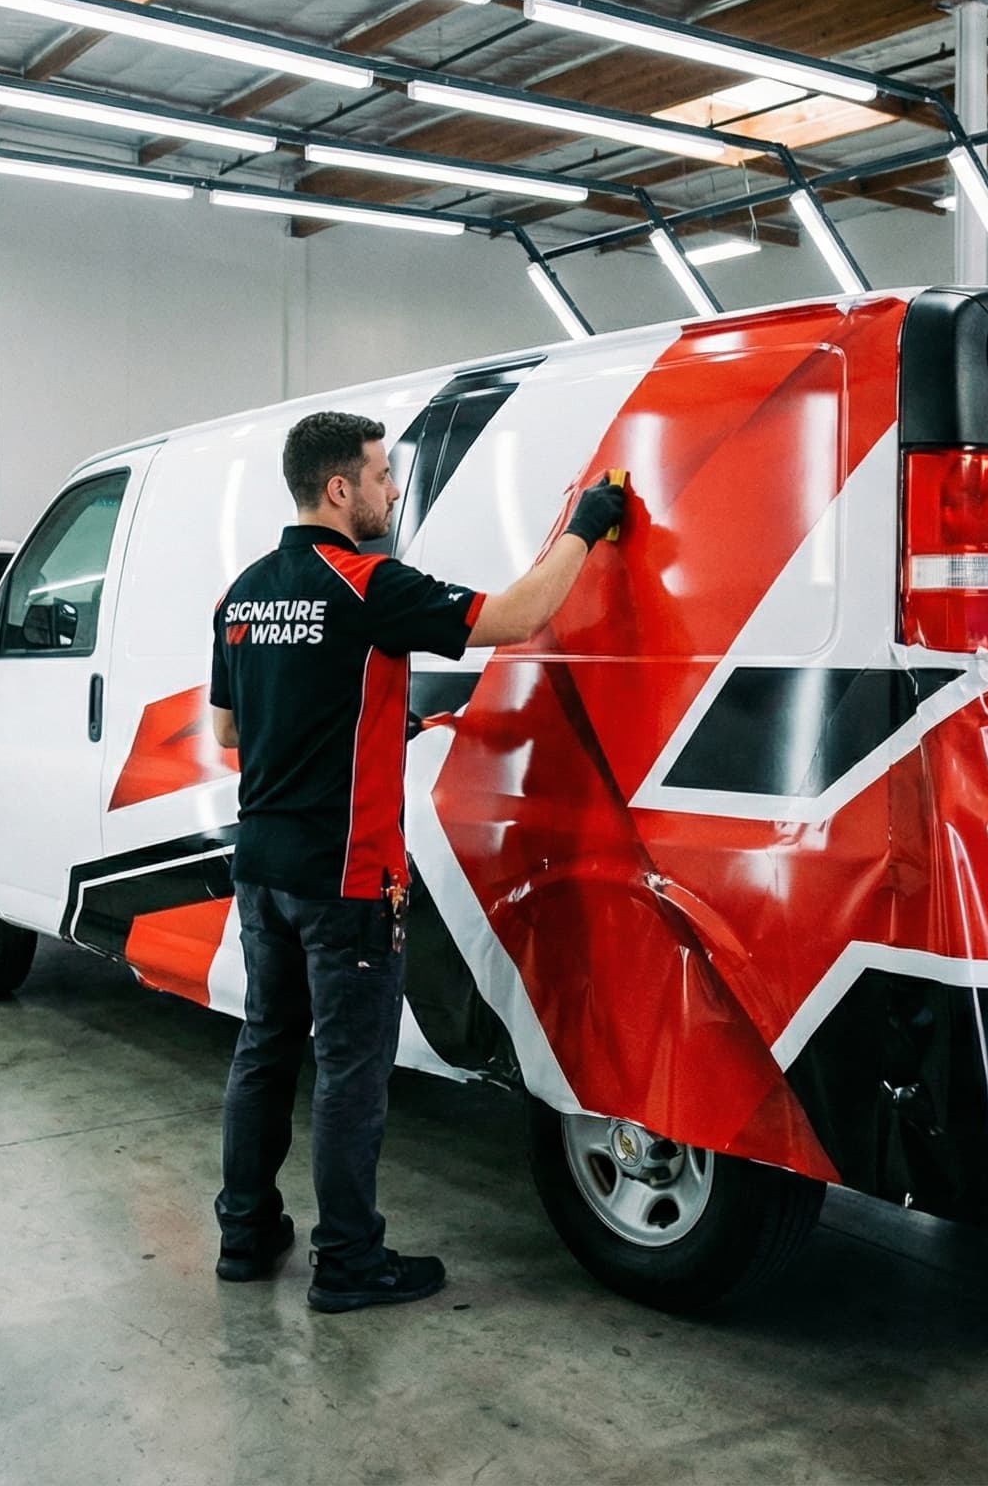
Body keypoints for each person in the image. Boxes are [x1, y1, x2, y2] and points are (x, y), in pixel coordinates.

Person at [208, 410, 630, 1314]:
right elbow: (520, 614)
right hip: (349, 876)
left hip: (263, 868)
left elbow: (231, 731)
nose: (391, 492)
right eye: (380, 476)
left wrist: (338, 729)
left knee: (265, 1049)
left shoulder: (241, 595)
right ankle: (349, 1261)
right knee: (352, 1070)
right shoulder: (369, 585)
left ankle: (245, 1234)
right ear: (338, 490)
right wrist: (589, 526)